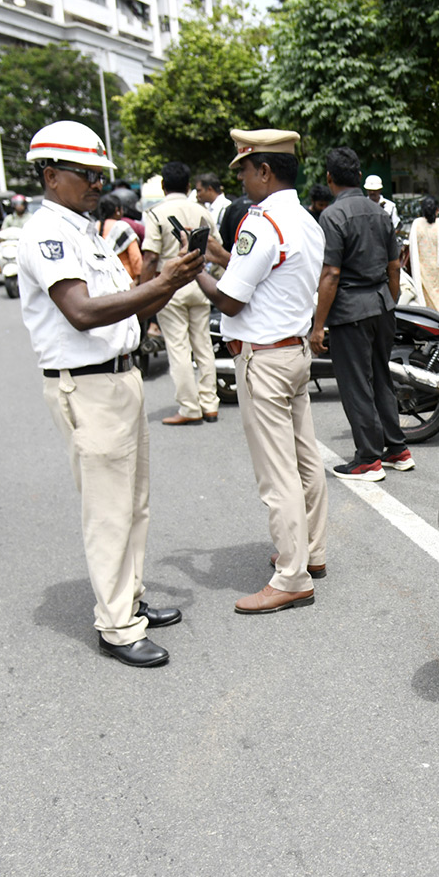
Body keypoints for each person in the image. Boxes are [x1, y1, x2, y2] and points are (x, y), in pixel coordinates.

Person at [18, 120, 203, 667]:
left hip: (119, 377)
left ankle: (131, 600)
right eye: (86, 174)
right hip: (89, 385)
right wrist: (162, 284)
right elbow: (79, 312)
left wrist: (166, 278)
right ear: (52, 177)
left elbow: (131, 309)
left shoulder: (84, 230)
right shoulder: (46, 235)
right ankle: (117, 625)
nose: (99, 183)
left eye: (100, 174)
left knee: (133, 504)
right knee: (108, 510)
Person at [194, 127, 329, 615]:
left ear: (265, 170)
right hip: (292, 352)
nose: (244, 180)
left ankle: (291, 576)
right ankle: (310, 553)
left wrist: (196, 272)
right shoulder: (307, 222)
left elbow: (230, 297)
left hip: (264, 358)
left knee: (278, 474)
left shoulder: (262, 222)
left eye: (246, 170)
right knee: (305, 460)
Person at [312, 146, 413, 482]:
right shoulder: (380, 212)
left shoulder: (332, 216)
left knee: (356, 384)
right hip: (381, 305)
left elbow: (331, 275)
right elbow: (394, 264)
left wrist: (318, 326)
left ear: (329, 179)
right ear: (358, 177)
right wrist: (390, 298)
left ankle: (368, 458)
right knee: (380, 376)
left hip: (351, 311)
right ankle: (396, 449)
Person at [141, 161, 223, 426]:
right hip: (200, 283)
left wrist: (145, 293)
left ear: (163, 186)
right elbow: (216, 248)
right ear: (189, 186)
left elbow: (150, 258)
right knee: (203, 346)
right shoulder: (201, 211)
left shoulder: (154, 213)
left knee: (178, 348)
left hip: (171, 287)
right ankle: (210, 404)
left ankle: (189, 407)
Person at [407, 196, 439, 313]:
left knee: (426, 301)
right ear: (437, 210)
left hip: (423, 271)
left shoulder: (417, 224)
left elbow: (411, 246)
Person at [96, 194, 143, 284]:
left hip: (103, 280)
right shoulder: (122, 226)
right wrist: (139, 277)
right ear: (117, 210)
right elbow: (135, 257)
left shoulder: (94, 227)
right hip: (125, 279)